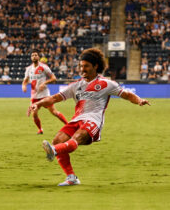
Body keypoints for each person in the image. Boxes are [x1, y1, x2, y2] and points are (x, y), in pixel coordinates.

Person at [28, 48, 150, 186]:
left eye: (86, 66)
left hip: (93, 121)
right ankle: (71, 177)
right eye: (81, 66)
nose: (82, 69)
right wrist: (38, 104)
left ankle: (55, 151)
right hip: (77, 119)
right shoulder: (76, 85)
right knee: (57, 140)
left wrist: (139, 100)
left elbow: (127, 95)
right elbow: (54, 98)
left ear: (95, 66)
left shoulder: (106, 84)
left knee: (76, 138)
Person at [22, 49, 67, 134]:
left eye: (35, 55)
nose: (34, 56)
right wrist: (24, 86)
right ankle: (40, 129)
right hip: (34, 95)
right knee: (34, 114)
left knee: (54, 112)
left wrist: (44, 83)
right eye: (32, 55)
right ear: (31, 58)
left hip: (44, 94)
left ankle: (68, 125)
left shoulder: (44, 67)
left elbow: (54, 78)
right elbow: (25, 81)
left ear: (38, 57)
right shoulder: (28, 69)